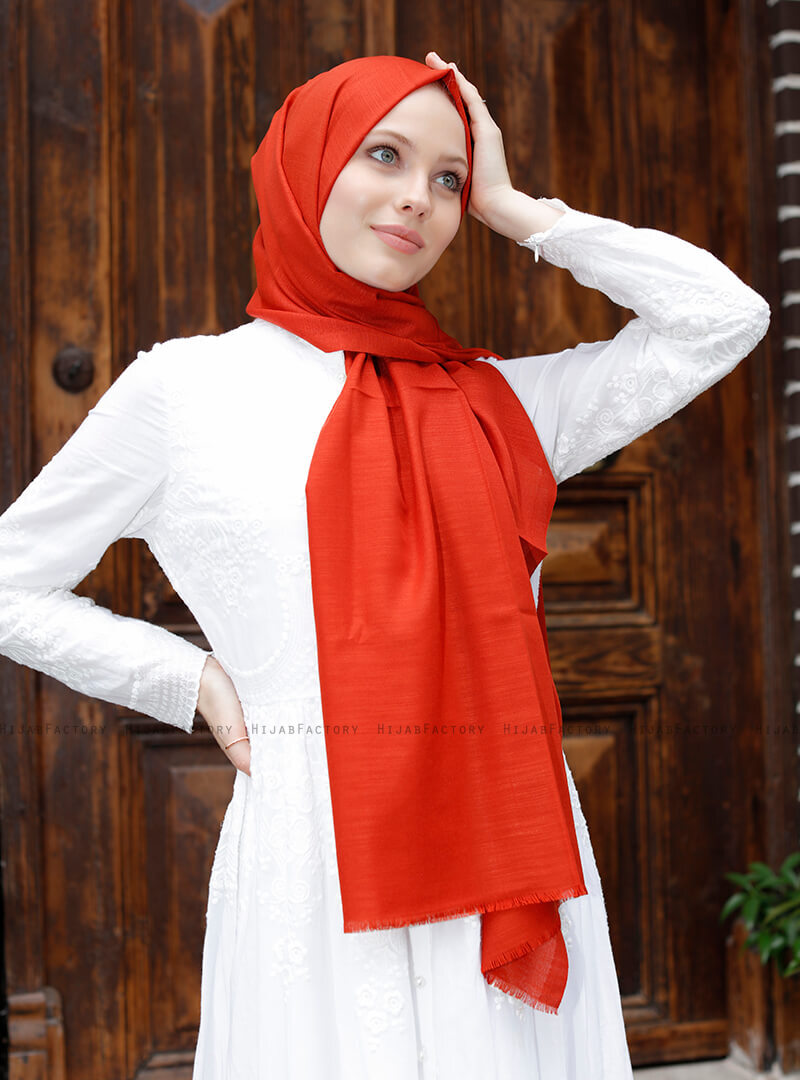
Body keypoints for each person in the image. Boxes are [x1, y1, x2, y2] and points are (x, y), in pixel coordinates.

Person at [0, 51, 769, 1080]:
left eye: (447, 177)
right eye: (384, 155)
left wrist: (514, 208)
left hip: (506, 838)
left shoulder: (503, 404)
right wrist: (190, 679)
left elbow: (723, 318)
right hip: (314, 855)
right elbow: (11, 584)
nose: (419, 198)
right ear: (306, 164)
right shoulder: (184, 393)